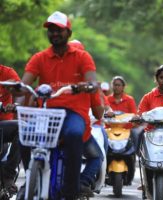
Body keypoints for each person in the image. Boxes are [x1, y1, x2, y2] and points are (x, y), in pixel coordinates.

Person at [16, 11, 100, 200]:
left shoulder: (82, 57)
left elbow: (93, 82)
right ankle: (32, 178)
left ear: (68, 33)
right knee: (24, 134)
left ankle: (71, 191)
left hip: (73, 113)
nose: (54, 33)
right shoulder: (40, 57)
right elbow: (24, 86)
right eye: (51, 30)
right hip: (47, 113)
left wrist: (85, 87)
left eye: (59, 30)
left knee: (74, 134)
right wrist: (18, 101)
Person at [69, 40, 104, 197]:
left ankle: (30, 181)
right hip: (80, 129)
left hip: (51, 128)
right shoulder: (90, 82)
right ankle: (83, 183)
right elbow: (98, 113)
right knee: (97, 157)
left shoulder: (54, 74)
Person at [0, 64, 21, 195]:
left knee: (23, 127)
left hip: (2, 124)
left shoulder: (7, 73)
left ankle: (8, 174)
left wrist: (15, 89)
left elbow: (21, 91)